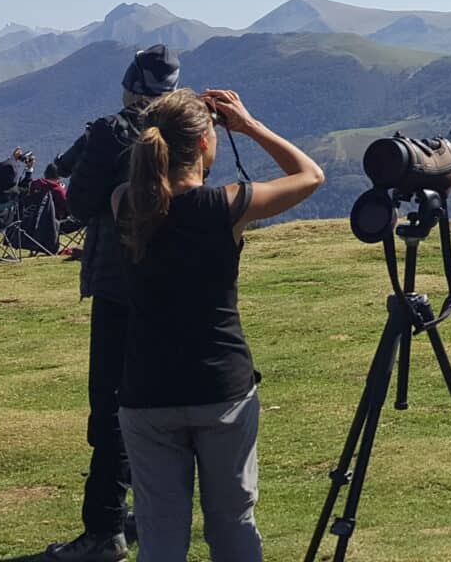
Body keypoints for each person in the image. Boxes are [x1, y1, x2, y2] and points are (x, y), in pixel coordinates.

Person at [114, 87, 324, 562]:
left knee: (160, 532)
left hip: (145, 390)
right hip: (221, 387)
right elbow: (310, 175)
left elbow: (146, 188)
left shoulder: (124, 202)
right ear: (206, 145)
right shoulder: (226, 206)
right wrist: (248, 126)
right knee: (232, 523)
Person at [43, 44, 182, 562]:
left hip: (118, 277)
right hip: (175, 276)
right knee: (156, 395)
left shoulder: (110, 131)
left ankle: (104, 529)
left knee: (112, 403)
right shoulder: (187, 125)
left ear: (130, 84)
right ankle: (148, 509)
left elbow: (78, 203)